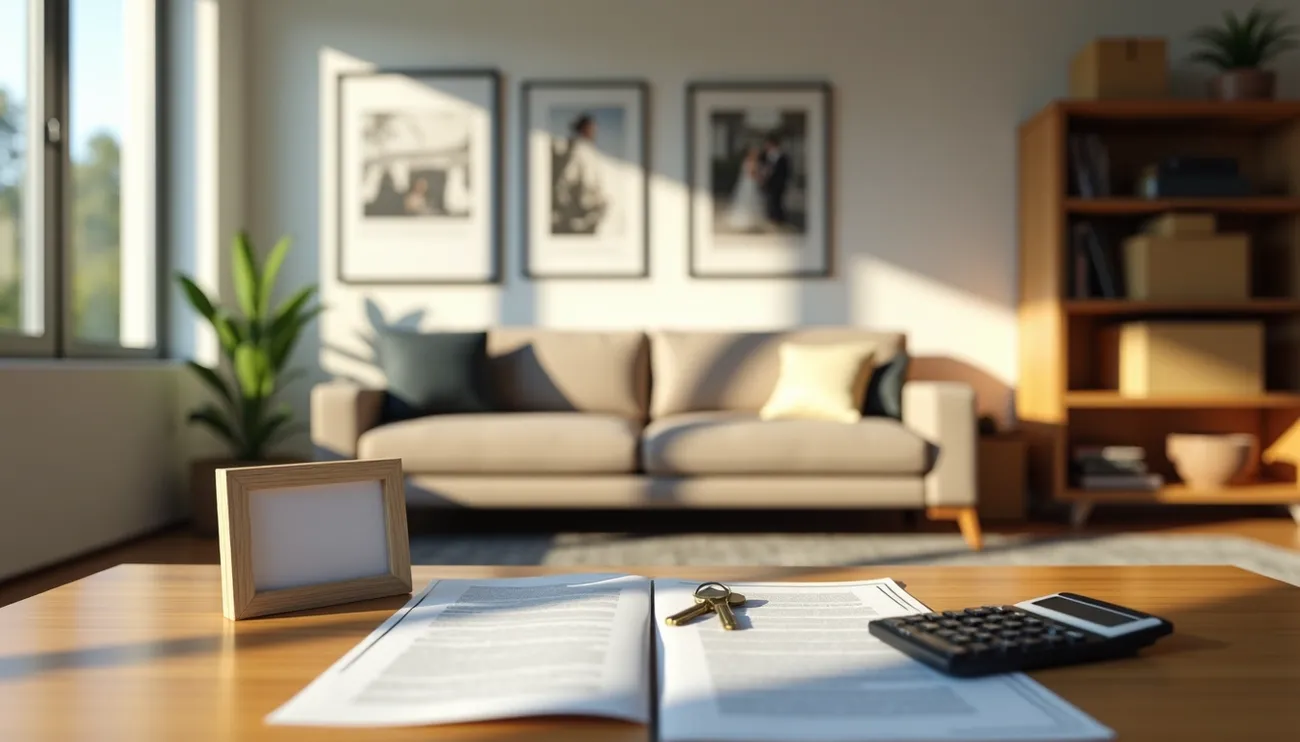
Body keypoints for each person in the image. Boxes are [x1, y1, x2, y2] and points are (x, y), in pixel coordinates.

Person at [551, 113, 611, 234]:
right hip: (582, 206)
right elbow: (567, 178)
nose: (594, 132)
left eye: (594, 128)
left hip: (591, 204)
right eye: (591, 128)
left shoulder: (590, 151)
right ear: (583, 129)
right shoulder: (578, 150)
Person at [725, 145, 767, 231]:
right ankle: (747, 219)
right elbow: (751, 173)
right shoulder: (750, 162)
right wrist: (760, 177)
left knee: (752, 200)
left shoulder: (750, 162)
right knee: (749, 200)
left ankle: (752, 219)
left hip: (750, 183)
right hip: (750, 183)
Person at [759, 132, 792, 228]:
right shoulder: (765, 155)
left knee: (777, 200)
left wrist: (784, 181)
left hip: (779, 182)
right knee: (771, 200)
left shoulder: (783, 156)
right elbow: (762, 167)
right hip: (769, 182)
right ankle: (773, 218)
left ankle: (779, 218)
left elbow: (786, 171)